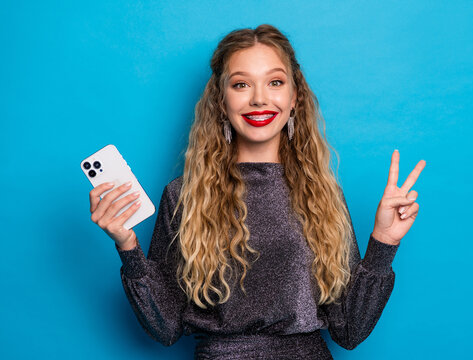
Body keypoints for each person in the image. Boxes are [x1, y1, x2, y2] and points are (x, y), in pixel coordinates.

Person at [88, 24, 426, 359]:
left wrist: (384, 241)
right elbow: (165, 328)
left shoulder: (324, 196)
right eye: (241, 84)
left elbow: (349, 330)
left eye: (275, 82)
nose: (260, 98)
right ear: (221, 101)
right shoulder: (184, 196)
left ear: (295, 98)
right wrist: (127, 245)